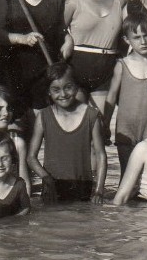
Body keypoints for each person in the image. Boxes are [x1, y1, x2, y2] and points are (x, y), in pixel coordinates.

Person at [27, 62, 107, 204]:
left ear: (77, 87)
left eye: (68, 87)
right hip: (51, 187)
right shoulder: (43, 116)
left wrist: (99, 191)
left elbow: (100, 155)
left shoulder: (91, 115)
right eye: (56, 90)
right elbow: (31, 157)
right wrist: (46, 178)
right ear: (48, 91)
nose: (63, 94)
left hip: (82, 186)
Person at [104, 12, 147, 173]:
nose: (143, 42)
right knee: (126, 174)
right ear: (127, 40)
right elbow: (111, 97)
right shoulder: (122, 65)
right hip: (125, 130)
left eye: (146, 36)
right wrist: (105, 125)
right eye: (136, 37)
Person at [64, 0, 127, 113]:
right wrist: (67, 37)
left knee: (100, 128)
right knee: (76, 123)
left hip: (107, 70)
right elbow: (55, 30)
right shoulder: (73, 0)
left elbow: (131, 31)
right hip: (76, 68)